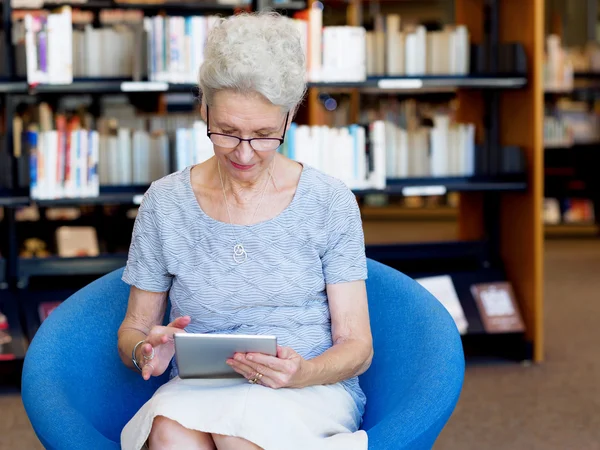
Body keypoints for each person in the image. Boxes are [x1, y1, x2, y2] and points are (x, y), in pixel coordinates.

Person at [117, 11, 373, 450]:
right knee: (169, 433)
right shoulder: (165, 202)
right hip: (200, 391)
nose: (245, 153)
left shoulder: (329, 201)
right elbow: (133, 329)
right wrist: (146, 350)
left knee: (236, 438)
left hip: (306, 391)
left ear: (290, 116)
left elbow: (357, 346)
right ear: (204, 108)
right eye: (227, 132)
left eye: (264, 134)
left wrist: (302, 373)